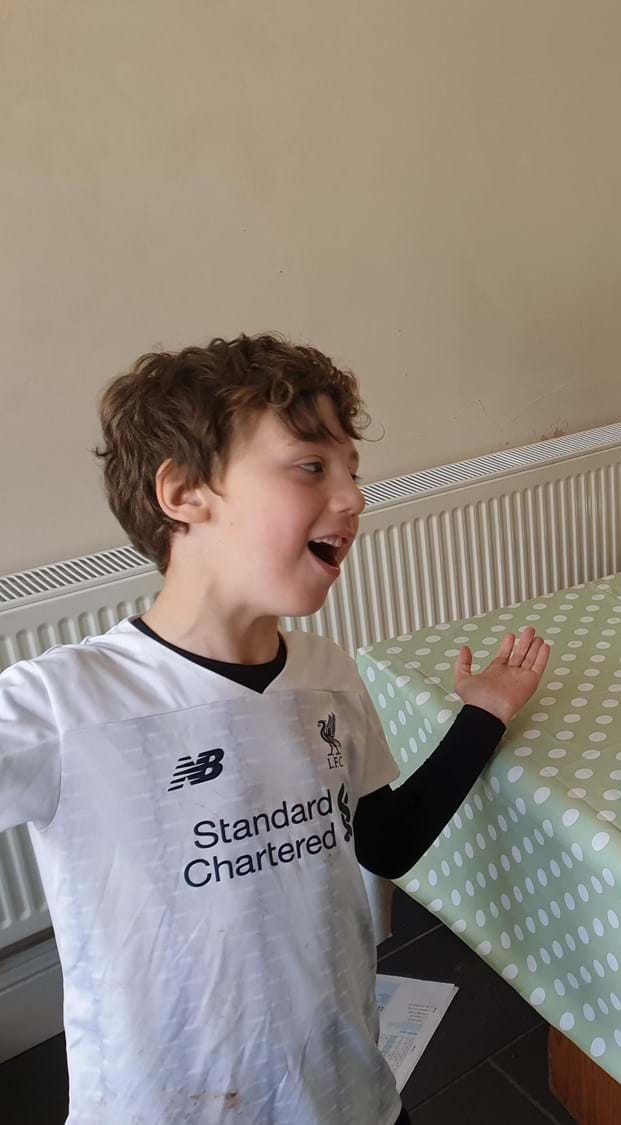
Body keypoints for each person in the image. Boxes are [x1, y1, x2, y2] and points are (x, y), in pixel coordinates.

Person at [0, 335, 549, 1124]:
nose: (355, 496)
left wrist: (484, 714)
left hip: (348, 1097)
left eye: (352, 469)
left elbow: (384, 842)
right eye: (310, 466)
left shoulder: (326, 672)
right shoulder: (65, 705)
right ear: (185, 492)